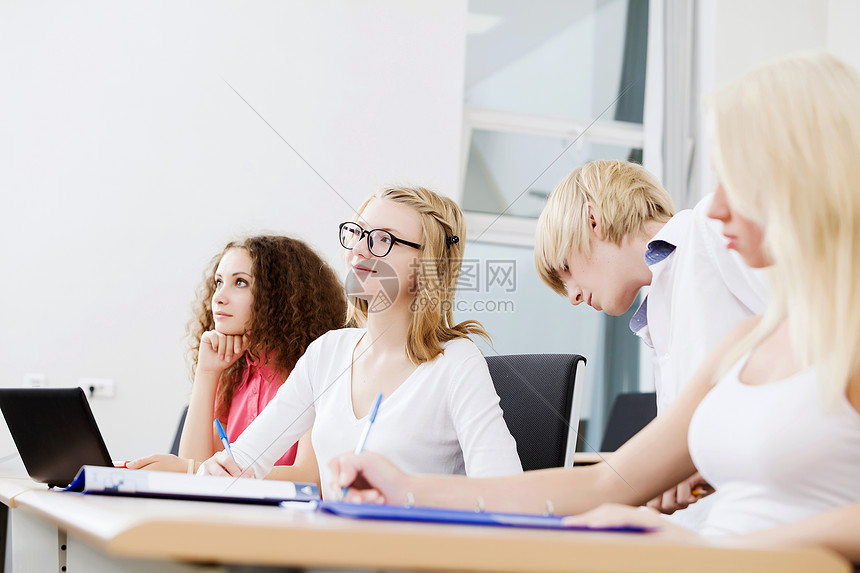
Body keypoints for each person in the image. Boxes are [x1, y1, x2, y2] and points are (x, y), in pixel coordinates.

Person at [328, 52, 860, 565]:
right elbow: (606, 482)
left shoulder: (707, 244)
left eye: (736, 181)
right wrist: (408, 488)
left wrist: (708, 551)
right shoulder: (740, 342)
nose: (715, 205)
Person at [198, 185, 523, 498]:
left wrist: (405, 490)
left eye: (382, 239)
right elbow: (243, 458)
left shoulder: (456, 362)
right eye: (357, 233)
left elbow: (505, 492)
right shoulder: (327, 352)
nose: (358, 250)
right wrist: (214, 472)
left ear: (426, 266)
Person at [533, 159, 768, 519]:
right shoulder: (658, 307)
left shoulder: (710, 231)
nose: (574, 296)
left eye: (566, 269)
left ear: (593, 221)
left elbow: (821, 336)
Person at [129, 235, 347, 480]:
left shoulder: (317, 369)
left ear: (279, 295)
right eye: (218, 282)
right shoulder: (237, 375)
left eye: (240, 283)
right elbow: (197, 470)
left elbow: (309, 478)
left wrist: (190, 469)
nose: (219, 297)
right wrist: (207, 372)